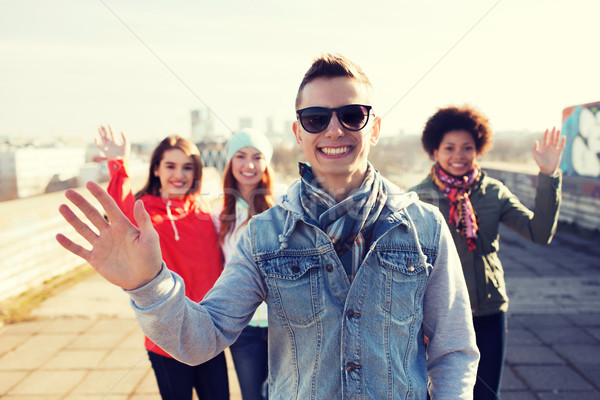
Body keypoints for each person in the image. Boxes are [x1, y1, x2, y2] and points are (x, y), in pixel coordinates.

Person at [57, 54, 479, 399]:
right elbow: (201, 338)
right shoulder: (263, 236)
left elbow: (454, 349)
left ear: (376, 128)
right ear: (298, 132)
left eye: (353, 115)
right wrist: (148, 285)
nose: (335, 129)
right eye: (316, 118)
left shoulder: (424, 227)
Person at [410, 105, 565, 400]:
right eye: (450, 147)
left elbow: (540, 232)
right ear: (434, 151)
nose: (459, 155)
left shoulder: (494, 192)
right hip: (437, 314)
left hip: (489, 310)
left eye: (467, 147)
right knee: (439, 392)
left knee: (487, 394)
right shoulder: (419, 198)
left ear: (478, 149)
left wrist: (548, 175)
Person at [94, 127, 230, 400]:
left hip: (208, 333)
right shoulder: (144, 211)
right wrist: (118, 164)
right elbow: (121, 212)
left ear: (196, 172)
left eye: (187, 167)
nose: (179, 175)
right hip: (167, 339)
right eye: (170, 166)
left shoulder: (204, 212)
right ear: (156, 169)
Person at [219, 128, 274, 400]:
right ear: (230, 162)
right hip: (243, 328)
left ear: (267, 164)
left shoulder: (283, 206)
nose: (249, 165)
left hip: (283, 324)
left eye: (257, 156)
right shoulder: (218, 213)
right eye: (240, 156)